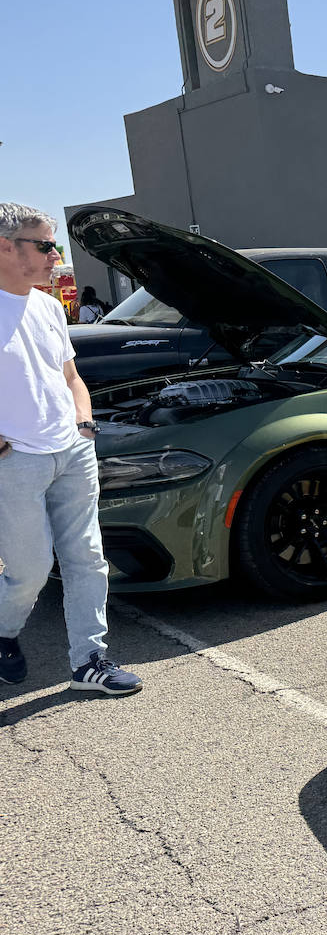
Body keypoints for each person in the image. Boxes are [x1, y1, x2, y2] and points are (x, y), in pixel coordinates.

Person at [0, 203, 141, 695]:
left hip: (72, 450)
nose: (54, 255)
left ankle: (90, 661)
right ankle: (4, 632)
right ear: (5, 245)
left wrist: (84, 423)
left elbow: (71, 376)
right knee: (30, 570)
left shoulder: (45, 306)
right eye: (43, 245)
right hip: (15, 460)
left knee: (86, 558)